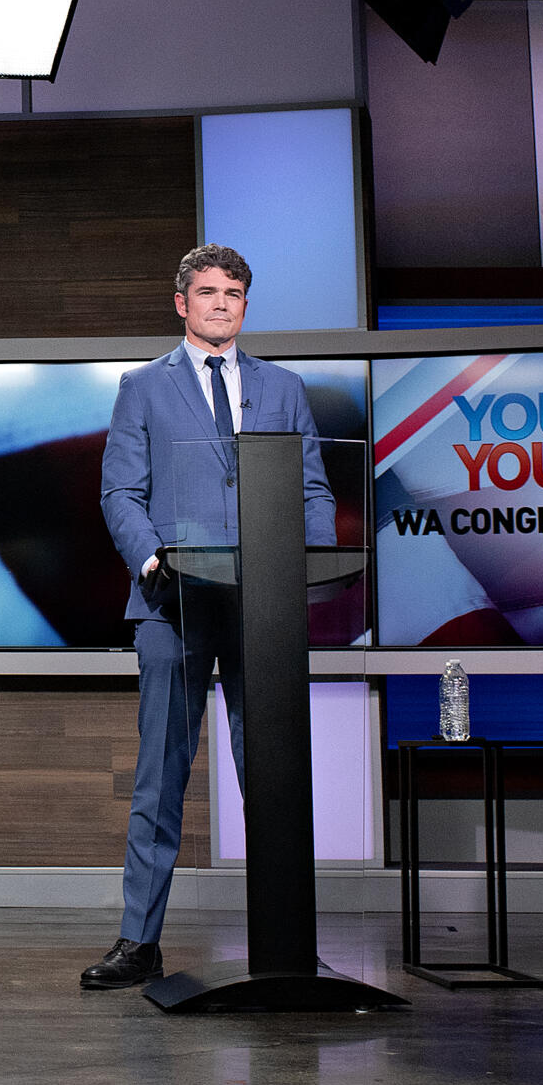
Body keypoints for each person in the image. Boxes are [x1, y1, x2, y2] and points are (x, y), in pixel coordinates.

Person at [81, 244, 336, 990]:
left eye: (234, 293)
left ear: (245, 305)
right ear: (181, 302)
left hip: (264, 608)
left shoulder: (284, 387)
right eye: (208, 291)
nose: (221, 303)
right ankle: (140, 942)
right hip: (174, 605)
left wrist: (305, 566)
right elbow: (119, 494)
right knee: (160, 778)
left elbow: (313, 491)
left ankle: (287, 940)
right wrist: (152, 557)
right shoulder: (142, 388)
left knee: (276, 778)